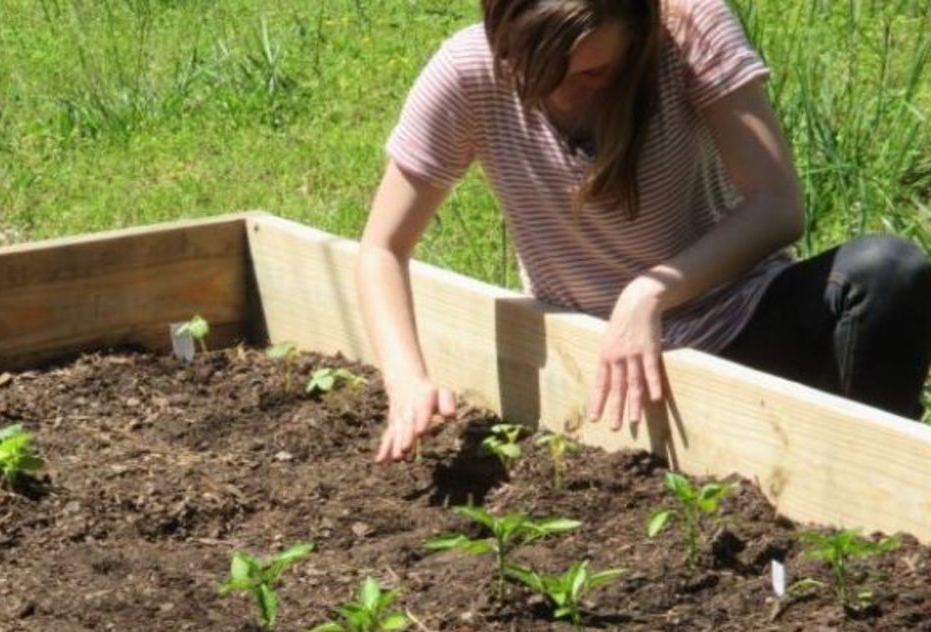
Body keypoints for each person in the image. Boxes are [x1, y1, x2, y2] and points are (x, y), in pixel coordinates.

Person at [358, 0, 931, 463]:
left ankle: (867, 490)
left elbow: (777, 204)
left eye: (592, 73)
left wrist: (651, 291)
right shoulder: (468, 71)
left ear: (637, 35)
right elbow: (383, 247)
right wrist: (407, 380)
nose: (565, 95)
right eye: (540, 76)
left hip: (740, 323)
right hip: (602, 368)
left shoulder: (688, 29)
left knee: (887, 273)